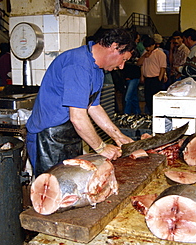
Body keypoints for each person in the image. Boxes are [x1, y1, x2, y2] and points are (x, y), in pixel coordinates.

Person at [26, 28, 136, 177]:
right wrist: (101, 147)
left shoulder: (97, 68)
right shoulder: (78, 64)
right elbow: (77, 117)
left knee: (73, 185)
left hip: (68, 135)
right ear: (114, 47)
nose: (122, 66)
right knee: (50, 190)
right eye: (124, 60)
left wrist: (118, 136)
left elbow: (93, 106)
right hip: (47, 138)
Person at [137, 36, 167, 115]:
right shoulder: (144, 53)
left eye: (149, 46)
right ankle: (150, 114)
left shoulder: (160, 54)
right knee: (148, 99)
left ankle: (157, 114)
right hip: (147, 79)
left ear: (154, 45)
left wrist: (160, 78)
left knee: (155, 99)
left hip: (155, 78)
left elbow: (163, 67)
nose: (148, 48)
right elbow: (139, 64)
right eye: (146, 47)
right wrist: (144, 56)